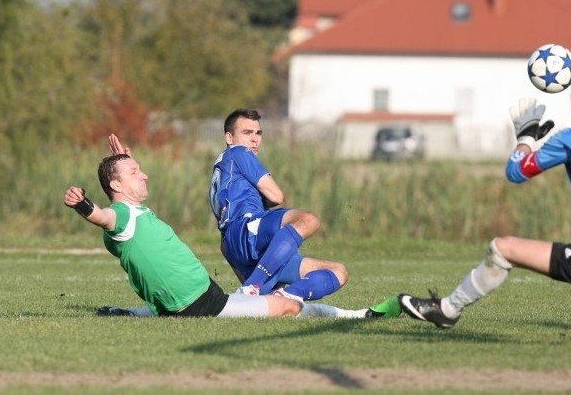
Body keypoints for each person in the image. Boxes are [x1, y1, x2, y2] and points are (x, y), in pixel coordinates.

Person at [398, 65, 571, 328]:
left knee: (503, 249)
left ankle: (447, 310)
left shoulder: (570, 140)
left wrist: (526, 137)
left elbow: (516, 172)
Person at [64, 135, 371, 319]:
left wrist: (126, 160)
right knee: (285, 307)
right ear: (116, 183)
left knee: (279, 300)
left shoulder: (132, 213)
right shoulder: (121, 216)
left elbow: (119, 207)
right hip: (203, 302)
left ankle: (129, 313)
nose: (144, 175)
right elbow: (103, 216)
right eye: (134, 172)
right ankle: (353, 314)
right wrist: (83, 204)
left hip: (184, 301)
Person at [208, 108, 348, 301]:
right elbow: (276, 196)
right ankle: (254, 284)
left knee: (339, 271)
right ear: (229, 138)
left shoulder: (223, 172)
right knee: (309, 220)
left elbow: (224, 246)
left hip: (240, 245)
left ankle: (285, 295)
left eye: (258, 133)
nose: (255, 139)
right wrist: (251, 283)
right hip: (248, 231)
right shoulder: (238, 152)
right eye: (247, 133)